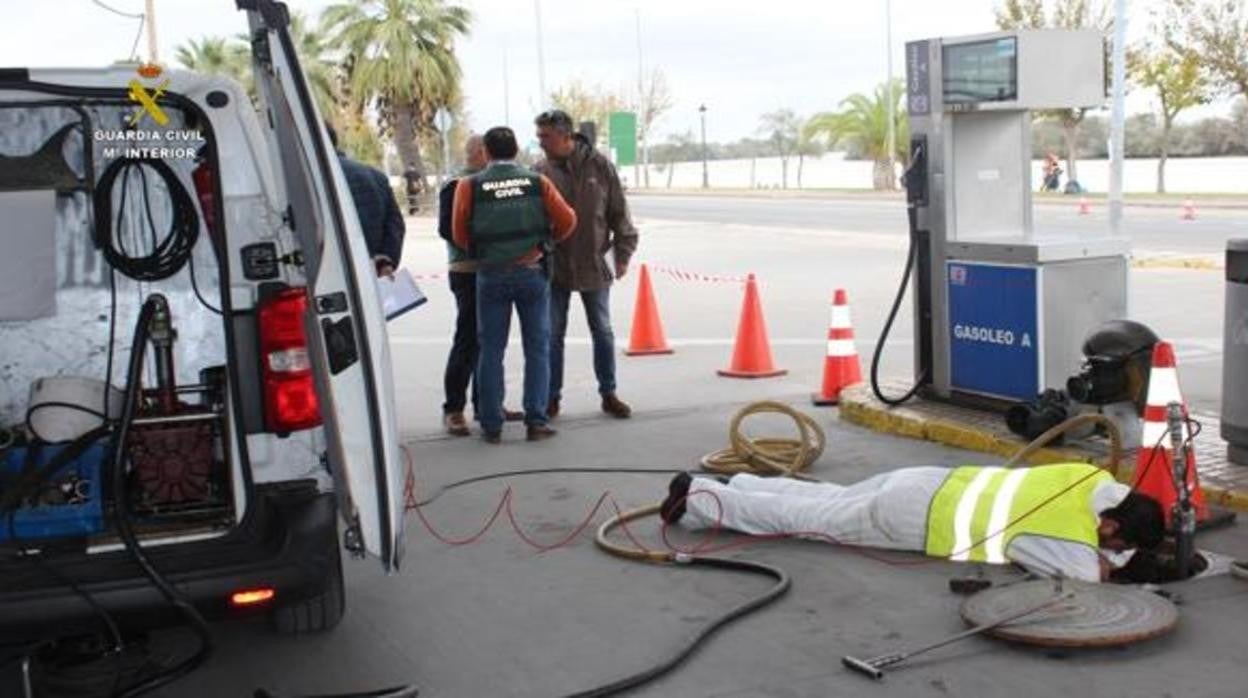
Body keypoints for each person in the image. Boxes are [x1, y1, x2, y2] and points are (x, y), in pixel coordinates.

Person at [660, 463, 1165, 583]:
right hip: (915, 519)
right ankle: (700, 500)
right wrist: (1124, 568)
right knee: (811, 519)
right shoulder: (1069, 540)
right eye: (1117, 543)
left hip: (927, 480)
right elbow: (1088, 574)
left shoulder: (1093, 477)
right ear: (1109, 529)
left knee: (827, 498)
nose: (1112, 549)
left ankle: (738, 484)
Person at [452, 127, 577, 443]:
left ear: (486, 152)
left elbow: (459, 233)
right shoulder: (537, 182)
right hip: (531, 272)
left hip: (491, 274)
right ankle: (536, 421)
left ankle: (491, 424)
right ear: (517, 149)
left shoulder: (469, 185)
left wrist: (486, 251)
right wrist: (544, 245)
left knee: (491, 349)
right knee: (537, 348)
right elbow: (568, 220)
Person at [534, 109, 639, 420]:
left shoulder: (600, 166)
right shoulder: (539, 171)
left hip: (596, 264)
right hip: (555, 268)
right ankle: (551, 398)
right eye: (538, 136)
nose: (540, 142)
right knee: (552, 335)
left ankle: (609, 393)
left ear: (565, 136)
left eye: (545, 136)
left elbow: (620, 215)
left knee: (602, 331)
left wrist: (622, 256)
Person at [438, 134, 523, 436]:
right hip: (467, 269)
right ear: (478, 153)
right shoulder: (456, 184)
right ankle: (453, 408)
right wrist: (488, 241)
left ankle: (488, 404)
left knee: (491, 340)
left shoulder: (492, 183)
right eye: (488, 152)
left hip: (494, 268)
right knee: (468, 339)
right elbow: (447, 229)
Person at [327, 122, 405, 276]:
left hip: (333, 272)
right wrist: (386, 260)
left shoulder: (311, 178)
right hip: (372, 271)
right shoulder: (376, 176)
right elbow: (395, 225)